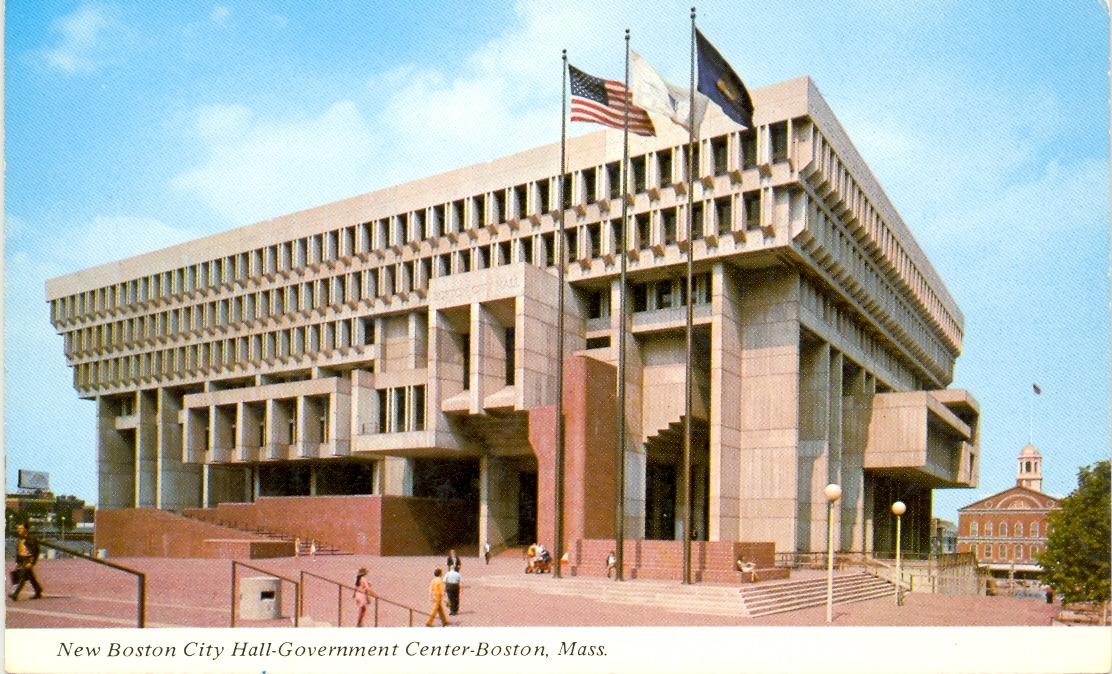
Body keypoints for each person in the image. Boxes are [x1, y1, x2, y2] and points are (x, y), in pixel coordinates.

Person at [9, 524, 43, 601]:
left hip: (28, 559)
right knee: (31, 577)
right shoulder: (20, 539)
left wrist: (31, 562)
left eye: (21, 528)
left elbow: (36, 551)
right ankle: (38, 590)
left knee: (23, 576)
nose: (19, 530)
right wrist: (18, 562)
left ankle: (15, 594)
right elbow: (19, 551)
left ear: (26, 529)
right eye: (18, 528)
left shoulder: (31, 538)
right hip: (22, 560)